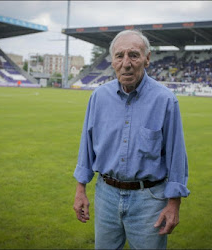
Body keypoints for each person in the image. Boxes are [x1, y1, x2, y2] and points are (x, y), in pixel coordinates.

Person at [73, 29, 190, 249]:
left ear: (147, 59)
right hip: (106, 195)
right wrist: (80, 190)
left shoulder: (165, 100)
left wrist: (174, 203)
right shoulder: (98, 97)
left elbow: (176, 155)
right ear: (112, 61)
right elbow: (86, 147)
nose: (126, 63)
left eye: (134, 55)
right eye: (119, 56)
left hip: (150, 201)